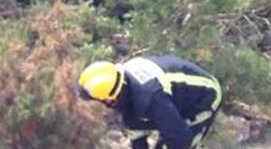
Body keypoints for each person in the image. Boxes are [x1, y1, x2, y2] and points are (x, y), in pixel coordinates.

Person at [77, 55, 222, 149]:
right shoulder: (125, 90)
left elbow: (181, 139)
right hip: (172, 99)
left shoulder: (149, 98)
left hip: (202, 98)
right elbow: (136, 133)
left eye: (100, 101)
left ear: (110, 99)